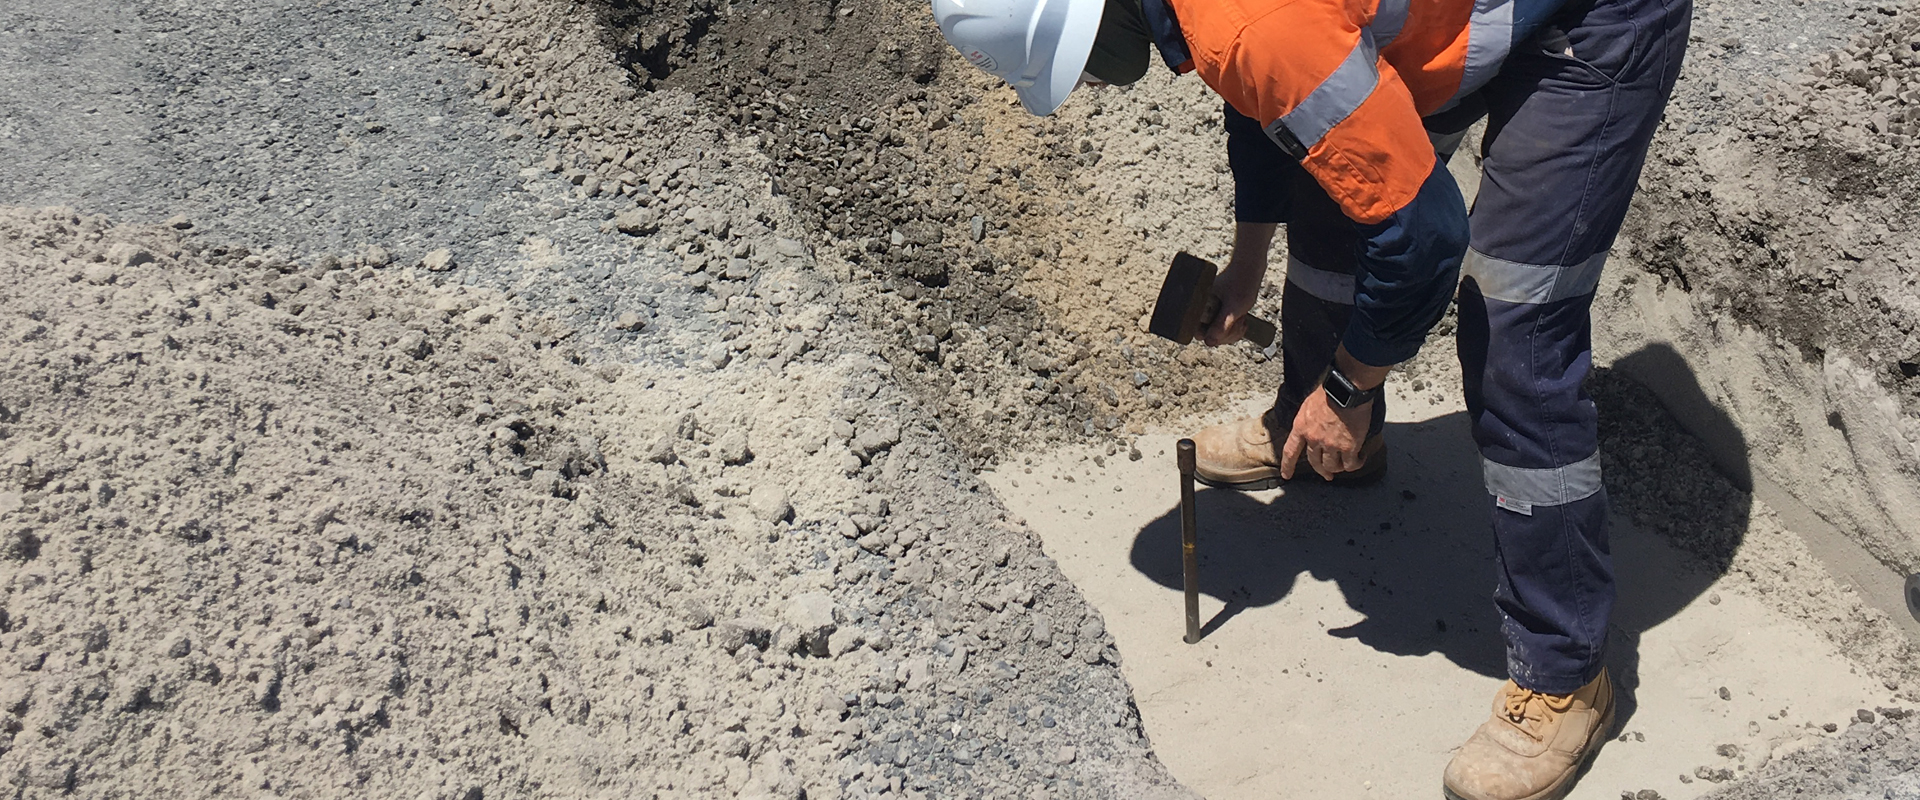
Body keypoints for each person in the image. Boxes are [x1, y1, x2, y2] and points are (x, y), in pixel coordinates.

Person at [930, 0, 1691, 797]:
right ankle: (1322, 438)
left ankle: (1567, 676)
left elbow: (1427, 235)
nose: (1091, 83)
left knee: (1513, 323)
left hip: (1594, 17)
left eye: (1079, 63)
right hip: (1455, 16)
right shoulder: (1214, 22)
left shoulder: (1253, 25)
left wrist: (1351, 383)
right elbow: (1266, 111)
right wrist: (1247, 262)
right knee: (1336, 196)